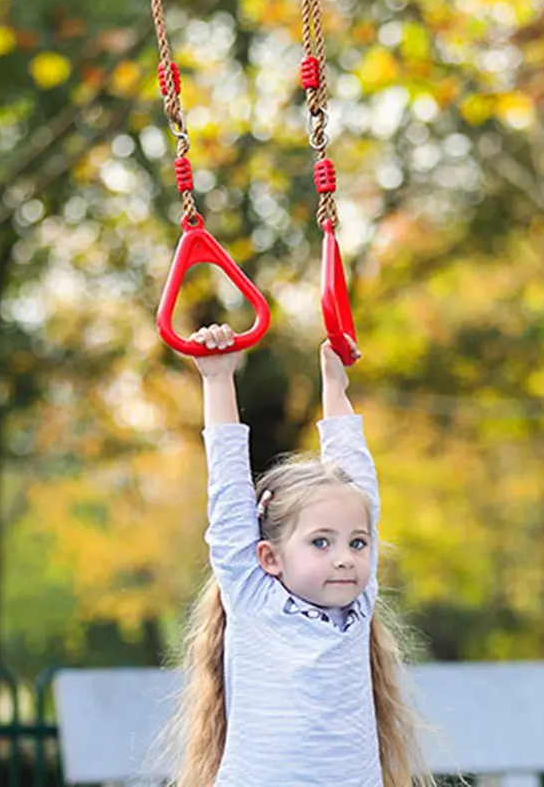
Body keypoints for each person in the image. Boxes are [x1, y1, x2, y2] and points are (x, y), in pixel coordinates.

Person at [167, 323, 434, 786]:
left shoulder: (358, 602)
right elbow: (228, 489)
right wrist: (217, 378)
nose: (345, 557)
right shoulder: (253, 599)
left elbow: (357, 478)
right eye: (320, 542)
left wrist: (334, 382)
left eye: (357, 542)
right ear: (269, 557)